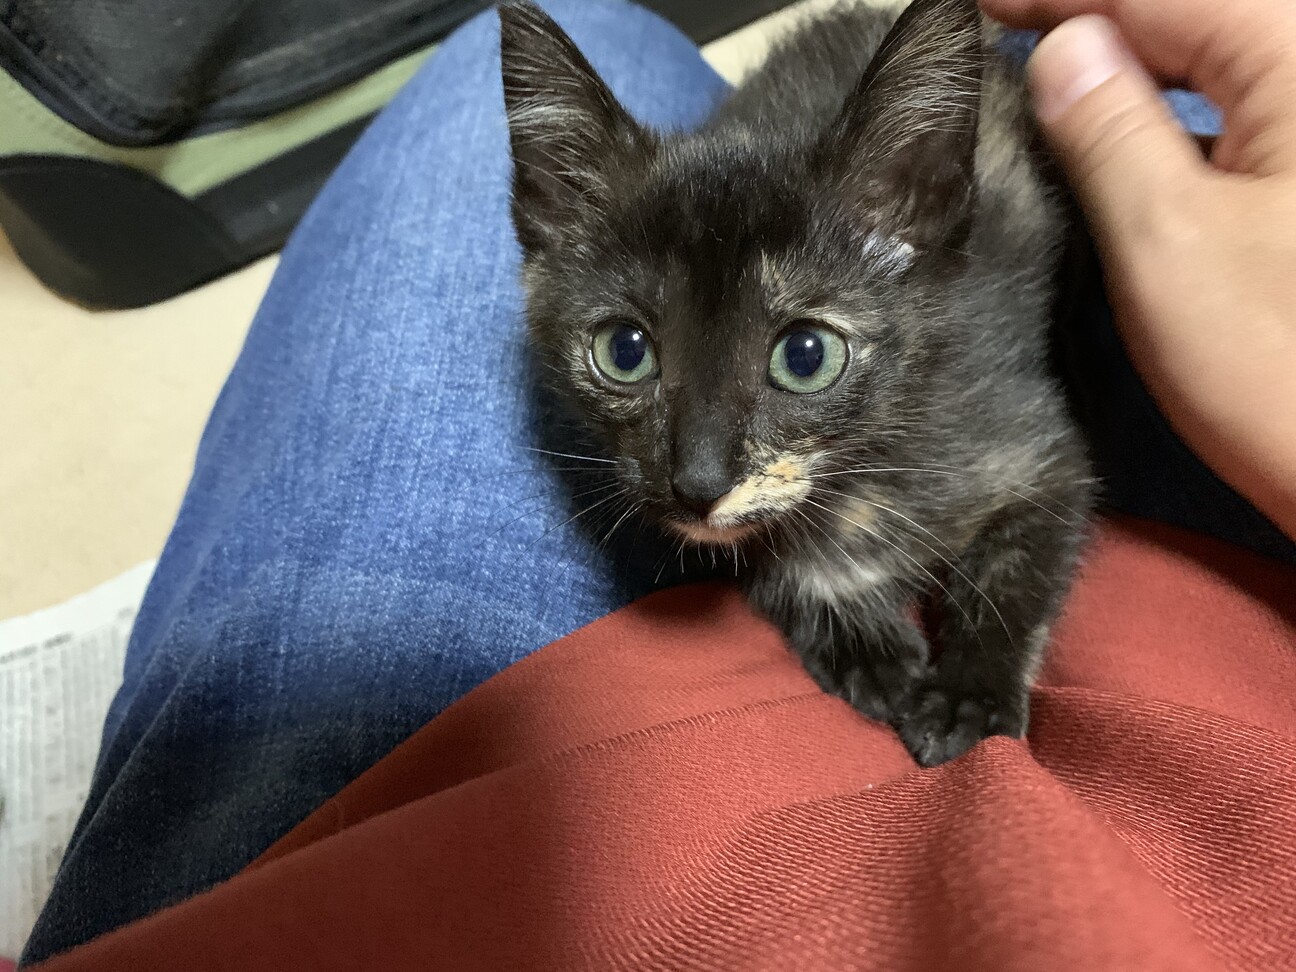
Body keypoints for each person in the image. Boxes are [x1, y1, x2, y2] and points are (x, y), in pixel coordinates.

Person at [21, 0, 1296, 968]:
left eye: (804, 356)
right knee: (559, 39)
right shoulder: (711, 343)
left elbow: (1041, 483)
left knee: (582, 31)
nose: (695, 473)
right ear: (544, 224)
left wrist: (977, 672)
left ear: (919, 219)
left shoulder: (935, 388)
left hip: (916, 179)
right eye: (623, 351)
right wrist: (814, 601)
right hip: (775, 176)